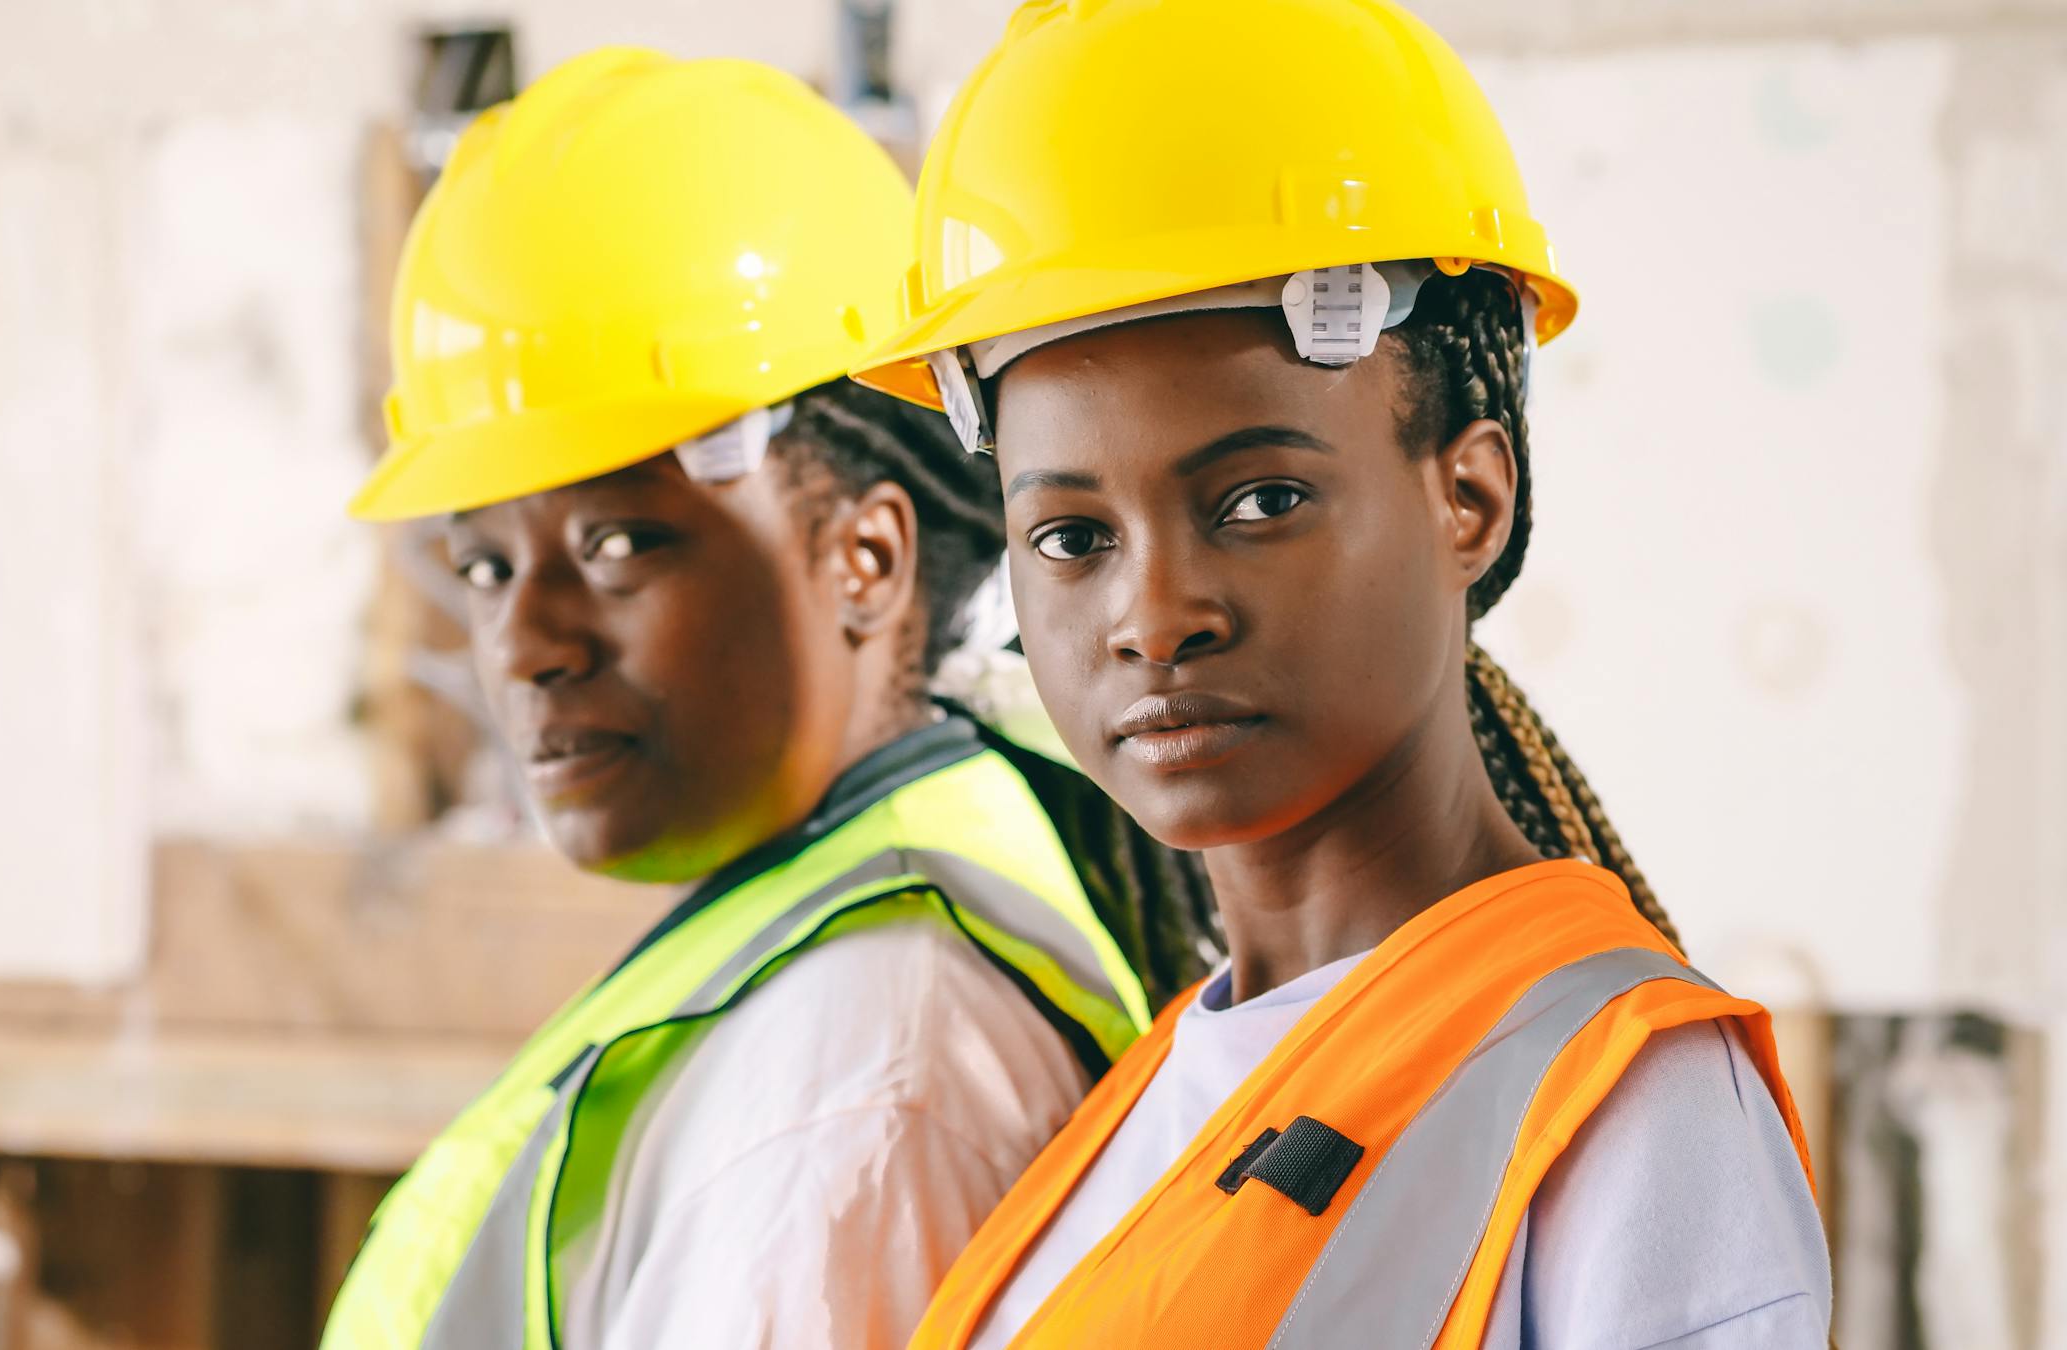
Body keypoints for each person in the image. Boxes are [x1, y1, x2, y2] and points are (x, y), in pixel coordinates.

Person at [848, 1, 1833, 1345]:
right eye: (1073, 536)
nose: (1154, 614)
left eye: (1258, 500)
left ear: (1470, 499)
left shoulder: (1623, 1111)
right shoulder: (1145, 1109)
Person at [318, 47, 1217, 1350]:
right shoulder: (810, 939)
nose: (526, 640)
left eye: (622, 543)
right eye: (485, 562)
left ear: (868, 553)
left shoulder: (866, 1060)